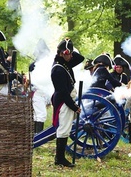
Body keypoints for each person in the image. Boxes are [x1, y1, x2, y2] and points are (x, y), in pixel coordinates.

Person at [51, 38, 84, 167]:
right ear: (61, 54)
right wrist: (74, 107)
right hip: (63, 102)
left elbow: (80, 58)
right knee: (63, 130)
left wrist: (68, 45)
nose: (70, 56)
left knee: (65, 128)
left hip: (66, 100)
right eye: (68, 54)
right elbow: (63, 93)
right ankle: (59, 159)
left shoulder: (65, 63)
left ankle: (60, 158)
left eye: (70, 54)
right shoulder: (58, 69)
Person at [29, 61, 51, 133]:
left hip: (42, 92)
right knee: (40, 114)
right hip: (38, 92)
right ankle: (37, 135)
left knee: (38, 114)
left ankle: (36, 134)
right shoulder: (35, 65)